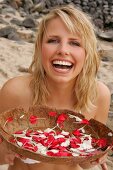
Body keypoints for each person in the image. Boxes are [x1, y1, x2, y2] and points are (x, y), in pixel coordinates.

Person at [0, 4, 111, 170]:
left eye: (75, 43)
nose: (63, 50)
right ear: (39, 48)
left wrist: (96, 158)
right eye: (53, 41)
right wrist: (4, 153)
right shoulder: (15, 91)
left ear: (87, 53)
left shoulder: (99, 95)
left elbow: (86, 164)